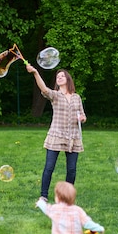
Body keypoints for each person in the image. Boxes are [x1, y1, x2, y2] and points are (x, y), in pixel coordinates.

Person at [26, 64, 87, 201]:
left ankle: (67, 197)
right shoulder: (55, 95)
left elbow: (83, 115)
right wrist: (35, 72)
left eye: (62, 76)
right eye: (57, 77)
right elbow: (44, 89)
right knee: (49, 167)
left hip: (73, 137)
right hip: (56, 135)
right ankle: (43, 196)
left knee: (71, 170)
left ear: (68, 79)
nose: (59, 78)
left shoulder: (77, 97)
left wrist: (82, 118)